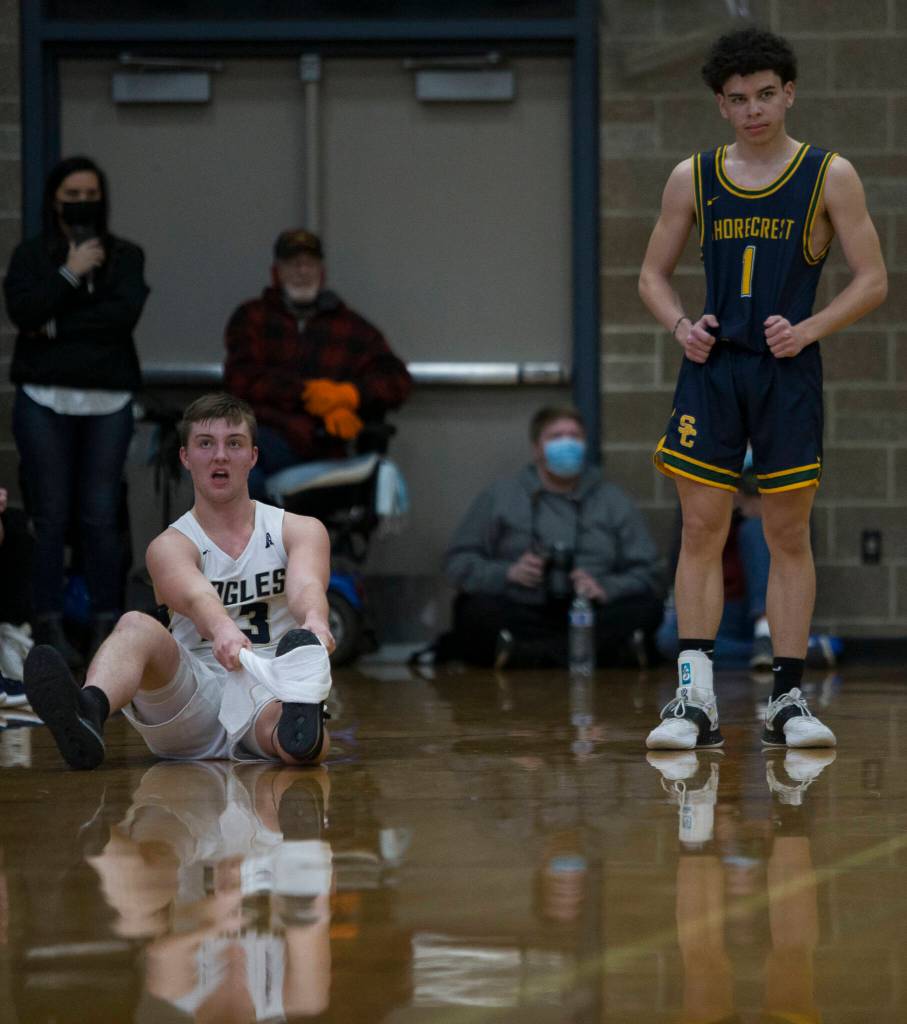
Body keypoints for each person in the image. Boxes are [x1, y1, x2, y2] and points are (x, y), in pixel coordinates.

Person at [638, 28, 887, 750]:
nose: (754, 110)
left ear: (789, 94)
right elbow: (650, 275)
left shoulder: (829, 174)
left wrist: (808, 329)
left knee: (786, 532)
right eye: (739, 98)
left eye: (766, 95)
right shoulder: (692, 176)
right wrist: (680, 326)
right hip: (713, 367)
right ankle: (694, 700)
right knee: (700, 529)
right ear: (721, 104)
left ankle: (786, 698)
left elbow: (873, 279)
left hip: (785, 370)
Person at [22, 393, 335, 772]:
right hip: (192, 693)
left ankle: (297, 731)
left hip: (265, 684)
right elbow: (196, 595)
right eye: (206, 444)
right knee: (136, 624)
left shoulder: (300, 529)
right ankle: (87, 711)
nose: (220, 456)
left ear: (253, 456)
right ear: (185, 457)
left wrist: (315, 621)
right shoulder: (169, 545)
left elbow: (306, 586)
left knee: (297, 740)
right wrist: (222, 629)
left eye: (234, 444)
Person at [3, 155, 149, 670]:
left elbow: (121, 317)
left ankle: (108, 624)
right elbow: (23, 311)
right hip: (43, 399)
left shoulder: (126, 255)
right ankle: (48, 626)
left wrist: (55, 328)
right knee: (49, 514)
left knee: (100, 515)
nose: (83, 203)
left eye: (91, 194)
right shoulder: (31, 255)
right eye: (73, 195)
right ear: (54, 200)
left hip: (108, 401)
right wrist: (70, 273)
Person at [442, 405, 665, 669]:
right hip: (522, 607)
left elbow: (650, 572)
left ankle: (530, 656)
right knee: (471, 610)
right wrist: (508, 573)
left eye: (575, 436)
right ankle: (578, 655)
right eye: (556, 436)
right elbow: (457, 564)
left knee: (647, 608)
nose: (567, 443)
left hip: (591, 613)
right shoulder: (500, 496)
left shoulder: (613, 500)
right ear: (537, 448)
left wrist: (605, 588)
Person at [224, 228, 413, 500]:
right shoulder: (252, 317)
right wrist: (306, 393)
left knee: (237, 472)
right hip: (263, 433)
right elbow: (241, 379)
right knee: (234, 467)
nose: (302, 271)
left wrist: (350, 395)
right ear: (276, 272)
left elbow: (397, 379)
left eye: (309, 263)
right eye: (293, 263)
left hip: (322, 443)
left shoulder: (350, 327)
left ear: (321, 272)